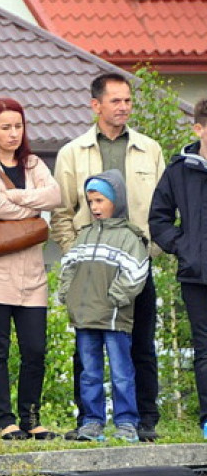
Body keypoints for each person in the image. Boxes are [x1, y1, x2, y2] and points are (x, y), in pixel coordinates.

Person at [51, 73, 165, 442]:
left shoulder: (150, 149)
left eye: (128, 100)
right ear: (96, 105)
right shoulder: (72, 152)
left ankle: (143, 420)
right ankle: (89, 420)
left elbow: (162, 208)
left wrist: (149, 252)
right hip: (89, 266)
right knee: (86, 349)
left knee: (140, 343)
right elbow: (61, 211)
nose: (124, 107)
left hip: (135, 265)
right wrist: (75, 254)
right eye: (116, 101)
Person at [0, 98, 62, 440]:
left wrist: (13, 197)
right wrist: (32, 209)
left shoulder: (32, 162)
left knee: (35, 349)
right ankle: (5, 421)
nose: (13, 133)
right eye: (5, 127)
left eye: (18, 126)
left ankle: (31, 417)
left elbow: (55, 196)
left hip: (31, 273)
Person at [58, 172, 149, 442]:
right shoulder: (84, 235)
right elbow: (68, 268)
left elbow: (137, 272)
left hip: (114, 318)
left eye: (100, 200)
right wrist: (68, 296)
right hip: (85, 317)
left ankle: (127, 423)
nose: (94, 207)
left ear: (116, 201)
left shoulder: (129, 237)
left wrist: (114, 298)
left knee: (121, 373)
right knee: (89, 373)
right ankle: (92, 422)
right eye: (90, 202)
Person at [148, 97, 207, 440]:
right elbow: (158, 218)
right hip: (197, 275)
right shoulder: (178, 171)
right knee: (204, 349)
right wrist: (185, 247)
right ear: (198, 129)